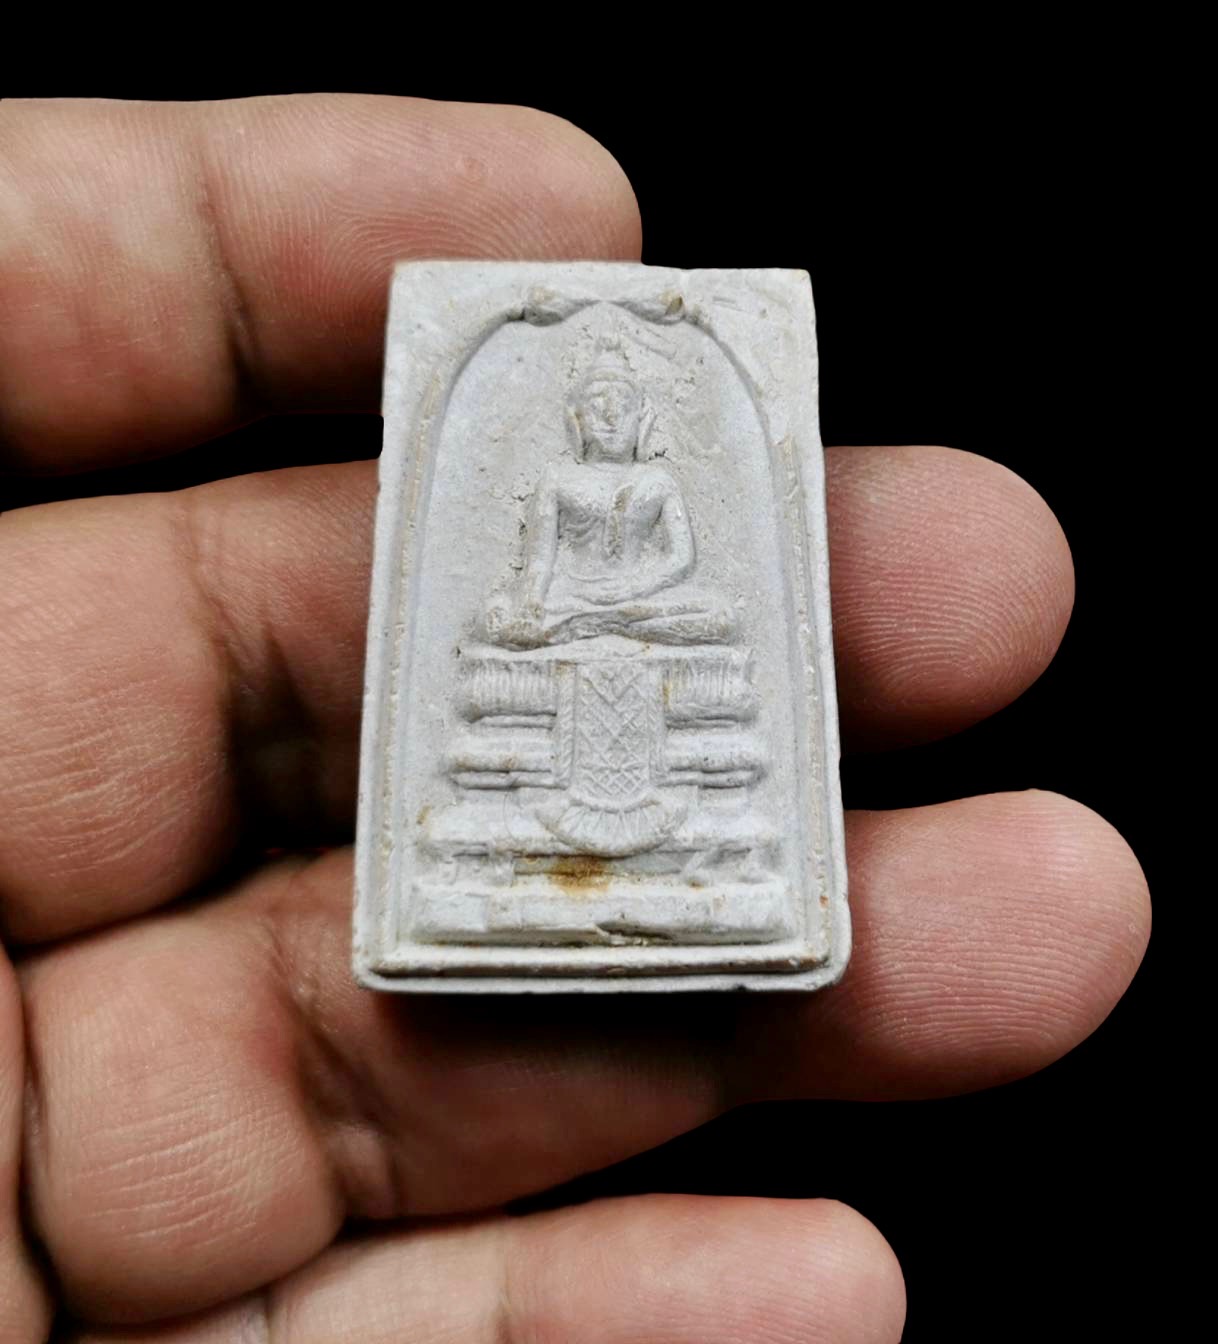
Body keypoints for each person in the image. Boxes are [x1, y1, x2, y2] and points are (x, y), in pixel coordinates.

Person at [0, 94, 1150, 1342]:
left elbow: (678, 575)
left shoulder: (655, 480)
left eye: (613, 411)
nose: (601, 423)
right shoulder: (554, 477)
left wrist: (614, 605)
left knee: (700, 625)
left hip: (650, 620)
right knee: (506, 639)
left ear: (635, 416)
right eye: (590, 411)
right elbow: (536, 574)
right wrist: (545, 606)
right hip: (564, 626)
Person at [481, 361, 736, 647]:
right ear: (576, 421)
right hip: (574, 592)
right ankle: (618, 625)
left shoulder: (658, 481)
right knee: (498, 615)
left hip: (642, 593)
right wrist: (531, 602)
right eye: (597, 407)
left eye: (624, 407)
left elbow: (681, 558)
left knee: (720, 615)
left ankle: (595, 625)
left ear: (643, 421)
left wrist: (634, 587)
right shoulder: (559, 479)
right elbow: (540, 561)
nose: (612, 417)